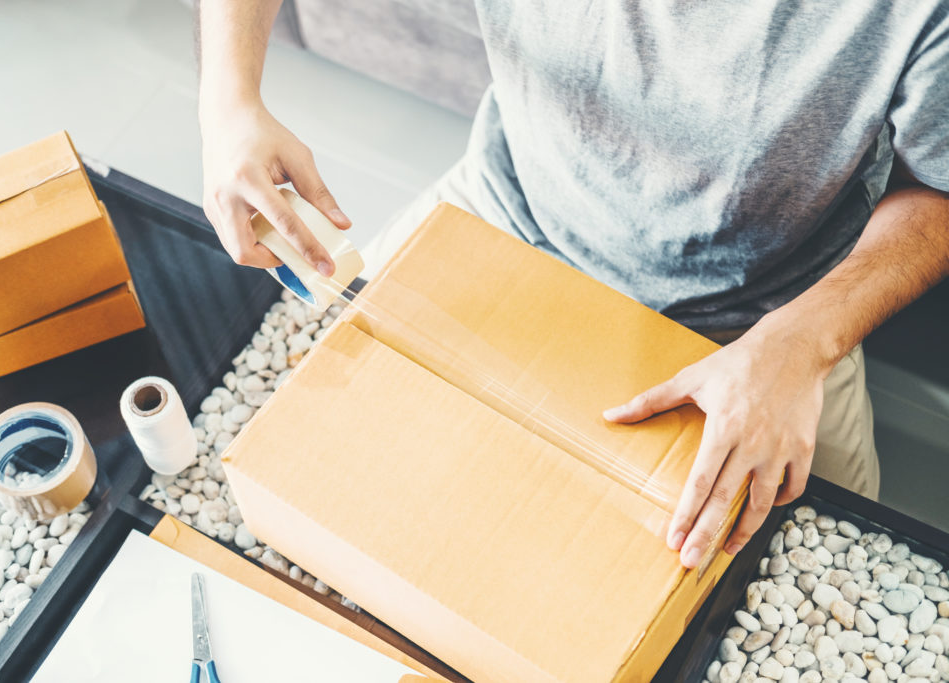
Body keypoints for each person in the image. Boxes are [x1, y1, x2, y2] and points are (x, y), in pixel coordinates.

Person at [196, 1, 949, 569]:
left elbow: (940, 192)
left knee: (830, 561)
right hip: (507, 205)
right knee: (326, 474)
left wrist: (805, 338)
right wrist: (228, 103)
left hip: (771, 321)